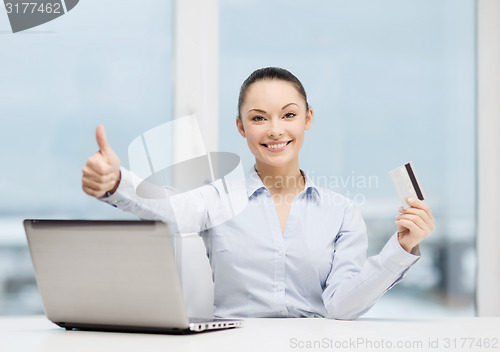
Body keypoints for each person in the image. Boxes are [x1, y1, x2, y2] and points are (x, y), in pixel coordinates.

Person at [82, 67, 435, 319]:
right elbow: (174, 208)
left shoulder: (340, 212)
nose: (275, 130)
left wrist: (401, 248)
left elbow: (342, 306)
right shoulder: (218, 198)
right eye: (259, 118)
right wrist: (117, 182)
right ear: (241, 127)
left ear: (308, 119)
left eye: (289, 115)